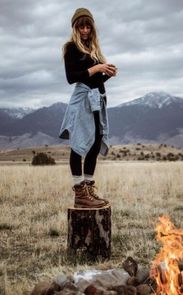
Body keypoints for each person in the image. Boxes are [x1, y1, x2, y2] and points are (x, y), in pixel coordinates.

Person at [58, 8, 117, 208]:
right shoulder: (71, 48)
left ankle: (89, 187)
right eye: (81, 26)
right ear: (75, 27)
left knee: (96, 139)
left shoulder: (93, 48)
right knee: (78, 143)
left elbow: (96, 79)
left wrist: (107, 73)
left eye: (88, 26)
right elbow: (72, 77)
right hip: (82, 99)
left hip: (97, 99)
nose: (84, 30)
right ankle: (79, 193)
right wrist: (98, 67)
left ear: (92, 27)